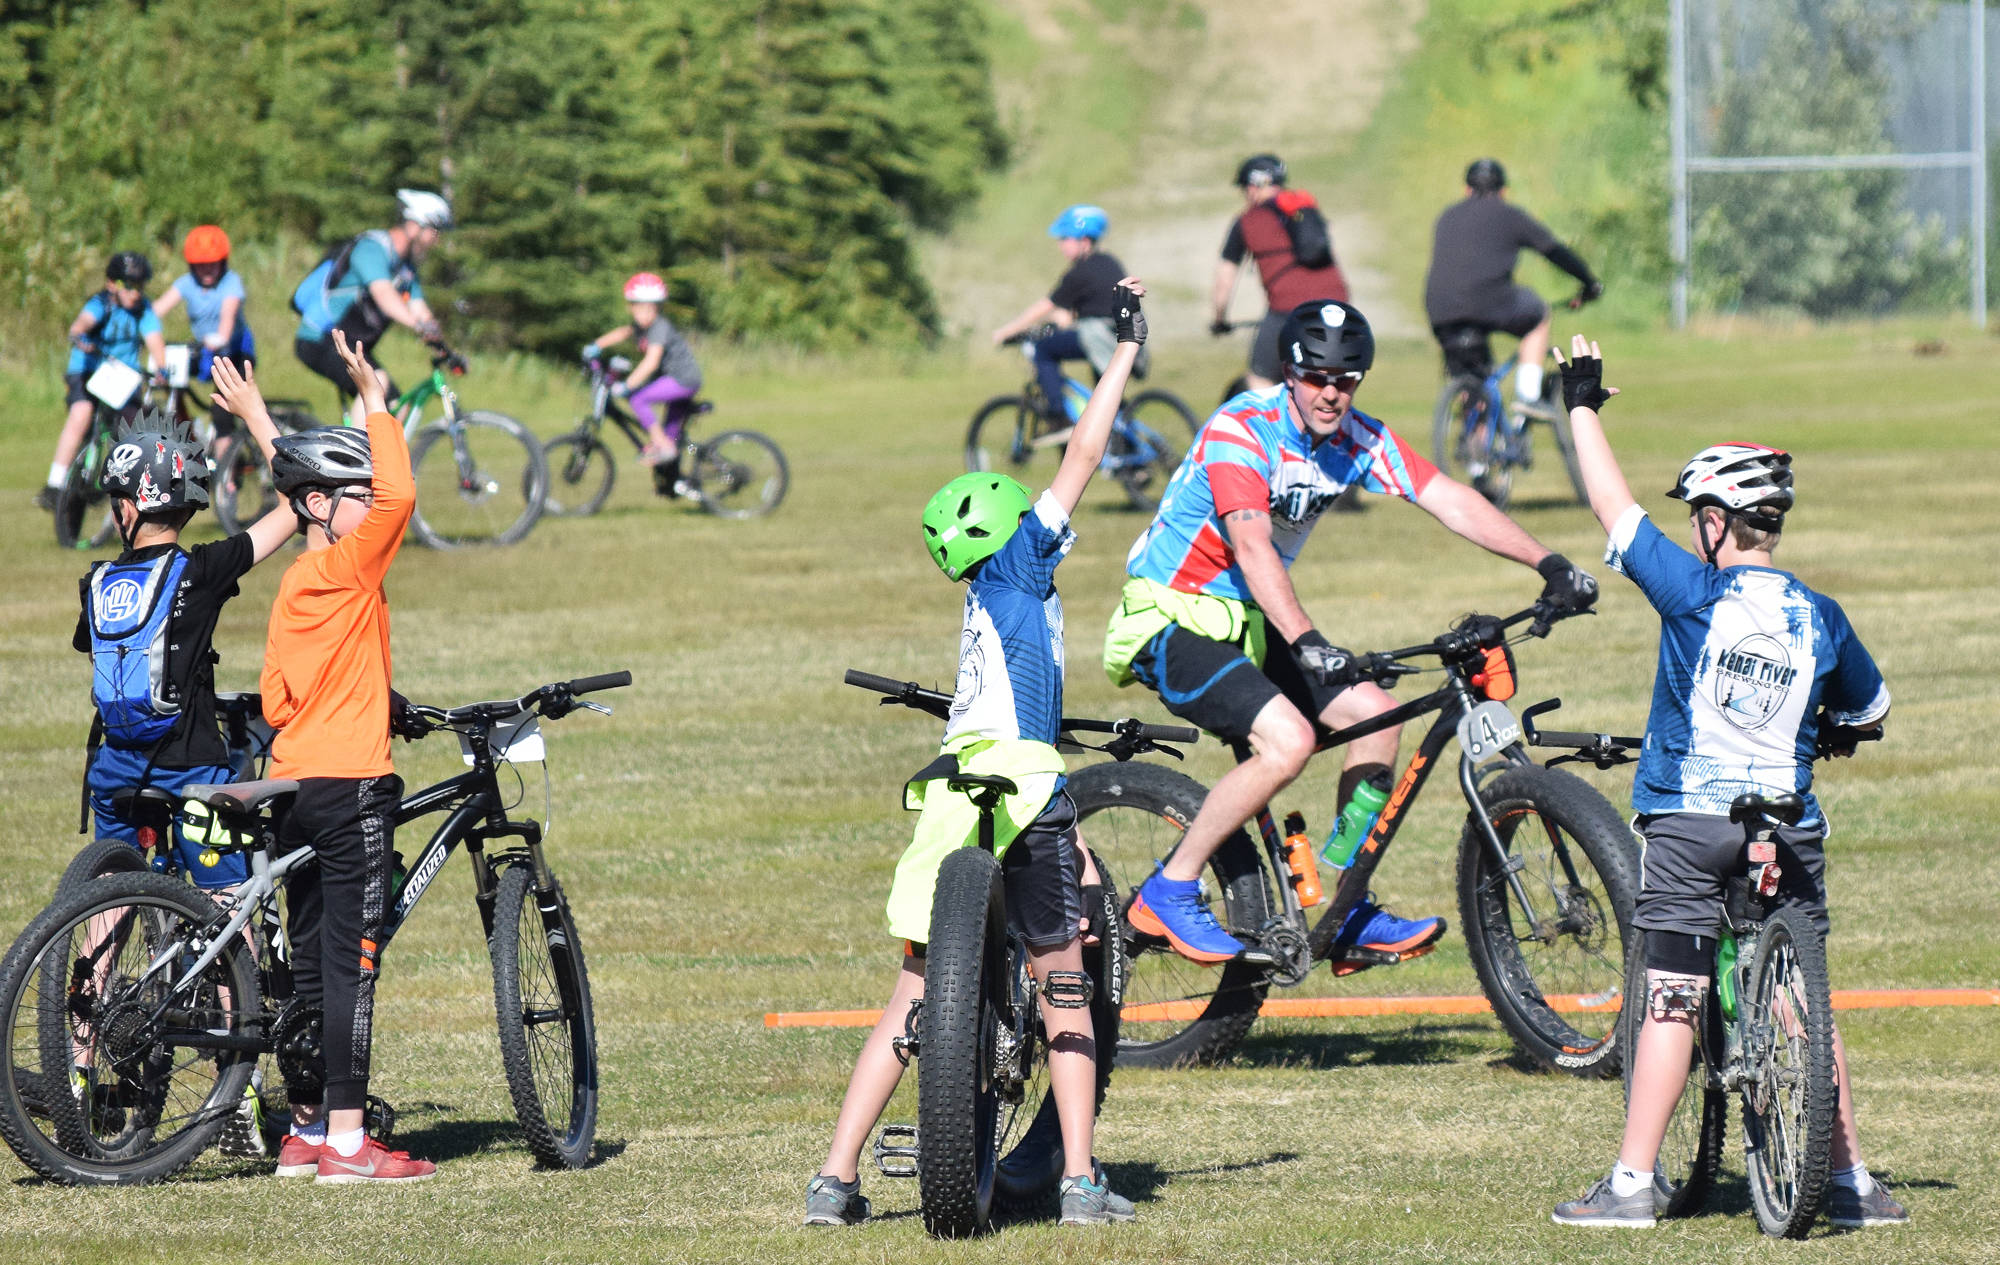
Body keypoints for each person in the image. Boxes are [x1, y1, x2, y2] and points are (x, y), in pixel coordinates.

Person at [1102, 300, 1600, 965]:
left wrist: (1548, 561)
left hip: (1248, 620)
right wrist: (1307, 638)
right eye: (1318, 377)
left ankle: (1347, 903)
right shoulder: (1241, 430)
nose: (1332, 392)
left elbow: (1448, 497)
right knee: (1288, 743)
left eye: (1347, 377)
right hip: (1170, 613)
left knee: (1378, 714)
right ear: (1290, 372)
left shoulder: (1356, 438)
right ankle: (1169, 887)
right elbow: (1250, 546)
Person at [807, 280, 1152, 1229]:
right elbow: (1085, 450)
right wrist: (1123, 348)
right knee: (1064, 975)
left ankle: (834, 1178)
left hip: (953, 784)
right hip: (1028, 779)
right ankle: (1080, 1180)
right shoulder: (1026, 561)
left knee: (915, 988)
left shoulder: (976, 597)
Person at [1546, 337, 1902, 1230]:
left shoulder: (1694, 593)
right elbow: (1868, 711)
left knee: (1673, 985)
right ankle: (1853, 1181)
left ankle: (1631, 1183)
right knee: (1803, 1001)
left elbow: (1613, 507)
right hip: (1786, 825)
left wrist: (1580, 403)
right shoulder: (1820, 613)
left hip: (1689, 821)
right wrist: (1830, 731)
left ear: (1712, 519)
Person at [70, 365, 295, 1155]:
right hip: (192, 772)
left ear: (130, 508)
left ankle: (81, 1075)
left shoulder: (96, 582)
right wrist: (260, 421)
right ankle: (238, 1098)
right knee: (233, 917)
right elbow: (293, 513)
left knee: (100, 926)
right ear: (181, 504)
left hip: (114, 782)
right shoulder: (198, 571)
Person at [261, 330, 433, 1184]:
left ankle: (300, 1131)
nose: (372, 503)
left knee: (306, 965)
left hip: (294, 783)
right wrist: (375, 396)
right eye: (353, 493)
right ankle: (347, 1140)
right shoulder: (353, 567)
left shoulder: (299, 583)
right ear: (325, 504)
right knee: (351, 967)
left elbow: (278, 699)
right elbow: (401, 494)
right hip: (353, 785)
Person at [1422, 158, 1600, 416]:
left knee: (1473, 388)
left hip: (1440, 308)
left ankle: (1474, 455)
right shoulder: (1509, 215)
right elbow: (1554, 251)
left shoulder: (1446, 217)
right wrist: (1589, 282)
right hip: (1488, 301)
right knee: (1538, 314)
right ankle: (1528, 396)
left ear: (1466, 189)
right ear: (1503, 191)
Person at [292, 189, 453, 413]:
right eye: (435, 232)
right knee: (377, 383)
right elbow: (384, 295)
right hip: (321, 339)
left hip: (352, 346)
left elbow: (419, 309)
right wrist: (417, 326)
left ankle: (379, 448)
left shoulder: (405, 268)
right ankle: (359, 449)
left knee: (398, 407)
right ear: (415, 225)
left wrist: (444, 348)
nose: (437, 241)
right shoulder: (371, 249)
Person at [1210, 153, 1350, 390]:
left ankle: (1265, 425)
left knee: (1260, 378)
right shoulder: (1306, 210)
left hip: (1288, 310)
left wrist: (1219, 319)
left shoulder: (1248, 220)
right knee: (1334, 381)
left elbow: (1225, 279)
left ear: (1253, 187)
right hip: (1337, 305)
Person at [41, 252, 168, 511]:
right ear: (112, 284)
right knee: (82, 413)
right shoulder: (100, 304)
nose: (135, 293)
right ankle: (54, 485)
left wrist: (162, 368)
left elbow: (155, 341)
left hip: (122, 378)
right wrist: (79, 335)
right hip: (88, 371)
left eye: (140, 286)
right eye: (129, 285)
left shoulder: (143, 310)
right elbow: (82, 323)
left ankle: (133, 493)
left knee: (135, 431)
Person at [990, 205, 1137, 428]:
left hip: (1100, 337)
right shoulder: (1109, 263)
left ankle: (1058, 415)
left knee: (1043, 349)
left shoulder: (1080, 271)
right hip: (1119, 336)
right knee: (1107, 399)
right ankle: (1123, 450)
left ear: (1084, 241)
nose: (1060, 245)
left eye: (1066, 238)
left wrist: (1007, 331)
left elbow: (1047, 305)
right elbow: (1086, 307)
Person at [581, 273, 703, 481]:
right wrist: (596, 345)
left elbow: (651, 361)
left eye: (651, 308)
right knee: (670, 435)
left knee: (638, 398)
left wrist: (627, 385)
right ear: (631, 307)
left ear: (658, 308)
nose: (645, 314)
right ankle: (672, 475)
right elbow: (623, 333)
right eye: (640, 308)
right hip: (676, 380)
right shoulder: (642, 327)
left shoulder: (658, 328)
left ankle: (662, 447)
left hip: (682, 380)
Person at [151, 225, 256, 468]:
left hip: (235, 352)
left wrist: (220, 337)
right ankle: (190, 440)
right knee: (169, 382)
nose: (207, 270)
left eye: (213, 263)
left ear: (223, 262)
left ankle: (225, 474)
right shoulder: (186, 283)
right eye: (200, 264)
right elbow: (157, 310)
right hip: (206, 350)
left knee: (222, 410)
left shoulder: (232, 283)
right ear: (191, 265)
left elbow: (228, 317)